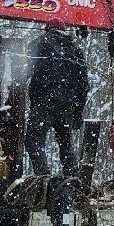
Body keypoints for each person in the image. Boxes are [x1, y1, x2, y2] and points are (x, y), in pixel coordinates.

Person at [24, 19, 89, 176]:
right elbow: (84, 85)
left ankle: (43, 178)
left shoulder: (38, 44)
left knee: (34, 139)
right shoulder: (75, 49)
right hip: (67, 105)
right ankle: (72, 179)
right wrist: (78, 111)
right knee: (66, 144)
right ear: (64, 30)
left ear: (47, 30)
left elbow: (25, 72)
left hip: (44, 101)